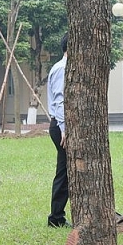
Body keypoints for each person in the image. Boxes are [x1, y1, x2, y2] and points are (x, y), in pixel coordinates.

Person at [46, 33, 70, 228]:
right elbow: (60, 100)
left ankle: (57, 215)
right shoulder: (63, 68)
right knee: (64, 171)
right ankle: (56, 217)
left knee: (65, 170)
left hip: (60, 125)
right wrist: (64, 128)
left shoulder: (60, 66)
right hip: (61, 126)